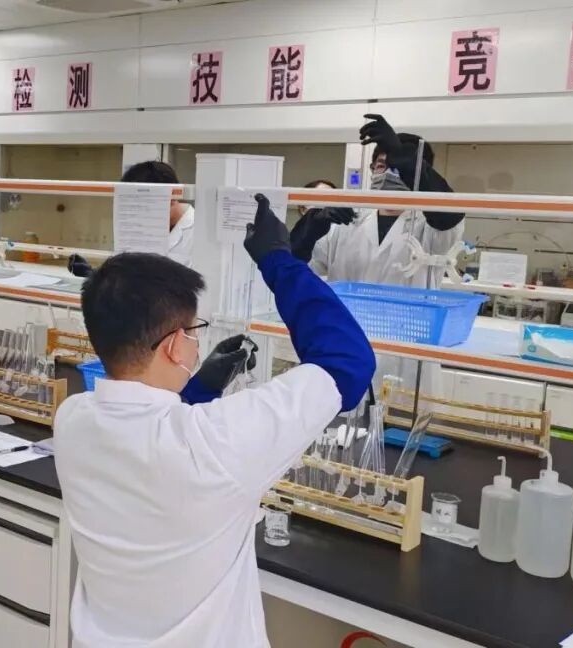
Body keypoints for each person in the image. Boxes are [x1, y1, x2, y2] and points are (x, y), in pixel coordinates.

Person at [54, 195, 375, 647]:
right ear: (173, 346)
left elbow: (145, 432)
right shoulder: (217, 442)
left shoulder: (72, 419)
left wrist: (199, 388)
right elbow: (347, 363)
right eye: (193, 333)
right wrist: (279, 261)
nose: (196, 345)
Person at [291, 114, 464, 288]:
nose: (388, 174)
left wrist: (402, 155)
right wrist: (311, 228)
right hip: (343, 307)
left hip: (407, 308)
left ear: (419, 172)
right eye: (381, 165)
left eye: (398, 167)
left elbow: (448, 215)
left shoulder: (433, 227)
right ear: (372, 169)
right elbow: (298, 265)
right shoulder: (346, 221)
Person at [68, 160, 194, 277]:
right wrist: (94, 275)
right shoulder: (141, 226)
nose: (141, 215)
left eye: (146, 207)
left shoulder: (197, 234)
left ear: (172, 199)